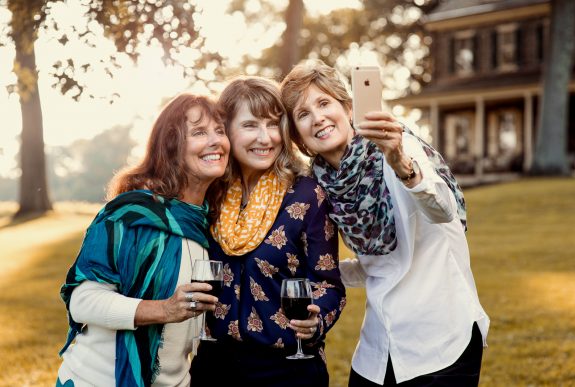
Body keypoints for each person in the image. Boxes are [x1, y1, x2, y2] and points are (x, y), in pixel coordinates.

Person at [280, 59, 490, 387]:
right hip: (380, 346)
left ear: (347, 107)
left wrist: (401, 164)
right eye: (303, 114)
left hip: (440, 340)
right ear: (298, 136)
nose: (318, 117)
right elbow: (380, 263)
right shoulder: (325, 183)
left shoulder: (396, 144)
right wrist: (318, 272)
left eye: (324, 103)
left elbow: (442, 210)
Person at [56, 93, 230, 387]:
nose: (216, 141)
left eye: (220, 131)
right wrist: (163, 309)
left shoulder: (207, 222)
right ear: (172, 146)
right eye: (200, 132)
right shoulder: (130, 214)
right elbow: (82, 301)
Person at [189, 76, 346, 386]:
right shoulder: (211, 193)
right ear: (226, 129)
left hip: (287, 368)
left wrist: (317, 320)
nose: (265, 138)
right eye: (250, 125)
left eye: (273, 124)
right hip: (215, 365)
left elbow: (329, 284)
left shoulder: (307, 195)